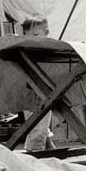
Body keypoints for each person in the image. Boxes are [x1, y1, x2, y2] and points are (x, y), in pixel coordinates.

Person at [20, 15, 54, 152]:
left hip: (45, 92)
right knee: (35, 125)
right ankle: (36, 151)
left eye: (36, 34)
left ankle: (40, 150)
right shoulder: (24, 50)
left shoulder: (51, 48)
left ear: (46, 33)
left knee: (41, 125)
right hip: (29, 94)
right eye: (27, 36)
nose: (32, 39)